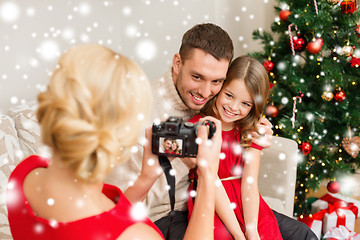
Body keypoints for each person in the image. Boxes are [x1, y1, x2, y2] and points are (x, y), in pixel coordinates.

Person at [106, 23, 316, 240]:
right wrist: (185, 162)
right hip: (169, 214)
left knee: (303, 235)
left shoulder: (217, 101)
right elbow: (119, 205)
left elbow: (242, 101)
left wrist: (260, 129)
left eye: (217, 81)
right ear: (177, 63)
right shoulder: (139, 112)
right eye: (197, 77)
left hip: (223, 202)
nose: (206, 92)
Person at [6, 44, 224, 240]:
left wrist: (145, 179)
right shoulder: (137, 236)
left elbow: (107, 217)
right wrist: (207, 174)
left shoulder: (26, 174)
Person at [187, 56, 282, 240]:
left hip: (247, 202)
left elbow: (250, 181)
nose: (233, 107)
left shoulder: (250, 131)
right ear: (219, 89)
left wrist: (251, 229)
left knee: (266, 230)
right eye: (229, 95)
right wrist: (239, 234)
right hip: (212, 198)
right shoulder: (202, 127)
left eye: (245, 103)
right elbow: (212, 182)